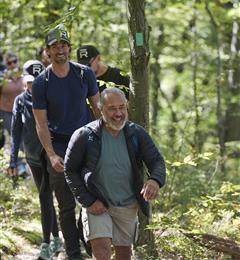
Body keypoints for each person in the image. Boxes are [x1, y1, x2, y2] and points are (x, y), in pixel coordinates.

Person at [64, 87, 166, 260]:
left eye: (121, 107)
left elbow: (157, 161)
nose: (118, 113)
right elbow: (70, 169)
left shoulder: (137, 133)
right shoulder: (84, 136)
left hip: (127, 204)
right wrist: (88, 201)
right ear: (100, 109)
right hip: (97, 203)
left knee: (124, 255)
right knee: (102, 251)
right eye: (112, 108)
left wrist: (154, 181)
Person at [32, 24, 100, 260]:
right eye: (54, 46)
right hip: (59, 146)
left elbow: (98, 109)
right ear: (47, 52)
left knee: (93, 197)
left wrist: (106, 142)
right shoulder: (42, 82)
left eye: (63, 45)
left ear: (69, 48)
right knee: (66, 205)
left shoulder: (84, 74)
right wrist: (50, 154)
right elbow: (40, 123)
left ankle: (91, 245)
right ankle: (73, 254)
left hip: (86, 142)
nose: (60, 50)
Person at [8, 60, 64, 259]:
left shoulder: (51, 97)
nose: (33, 85)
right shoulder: (21, 101)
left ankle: (46, 244)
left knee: (44, 196)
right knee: (46, 197)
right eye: (30, 81)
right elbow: (15, 132)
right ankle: (57, 238)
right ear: (24, 80)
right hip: (33, 157)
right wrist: (12, 160)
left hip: (52, 156)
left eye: (37, 81)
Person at [0, 52, 26, 175]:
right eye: (9, 62)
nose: (13, 64)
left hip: (22, 112)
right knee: (16, 137)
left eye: (14, 61)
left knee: (22, 138)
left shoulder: (24, 76)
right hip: (6, 112)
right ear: (6, 64)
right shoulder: (3, 78)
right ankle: (18, 167)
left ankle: (17, 164)